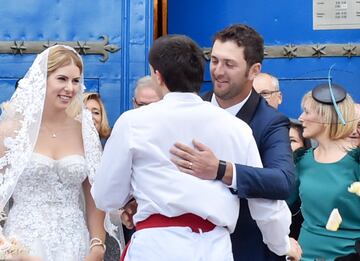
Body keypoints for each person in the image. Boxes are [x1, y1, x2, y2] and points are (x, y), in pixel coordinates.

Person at [91, 35, 301, 261]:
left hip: (155, 247)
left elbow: (106, 197)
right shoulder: (235, 128)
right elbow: (265, 205)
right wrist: (281, 245)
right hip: (212, 248)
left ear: (157, 75)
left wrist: (133, 198)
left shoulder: (133, 122)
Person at [169, 24, 296, 261]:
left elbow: (283, 181)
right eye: (214, 60)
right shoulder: (192, 106)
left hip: (243, 248)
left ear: (253, 70)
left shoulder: (270, 122)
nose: (217, 71)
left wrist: (222, 170)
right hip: (182, 246)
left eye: (229, 64)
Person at [0, 45, 105, 261]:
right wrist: (9, 248)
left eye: (76, 81)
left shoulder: (84, 131)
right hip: (23, 245)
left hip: (75, 244)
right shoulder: (12, 131)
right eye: (62, 79)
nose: (70, 88)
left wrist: (97, 246)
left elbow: (95, 195)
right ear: (42, 80)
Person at [292, 83, 359, 260]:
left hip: (349, 255)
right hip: (304, 255)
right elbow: (282, 203)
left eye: (307, 112)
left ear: (325, 117)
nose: (300, 118)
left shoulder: (356, 161)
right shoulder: (302, 160)